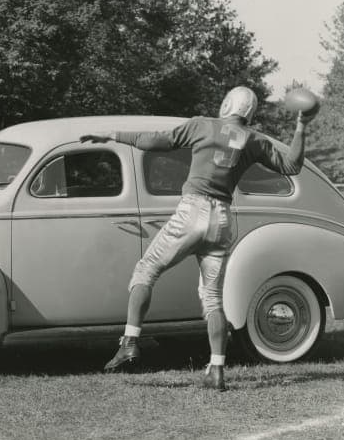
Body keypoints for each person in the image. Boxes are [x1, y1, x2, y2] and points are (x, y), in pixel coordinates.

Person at [80, 86, 310, 391]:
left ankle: (130, 341)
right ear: (250, 113)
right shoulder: (254, 139)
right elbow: (292, 166)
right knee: (213, 299)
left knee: (145, 271)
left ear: (227, 104)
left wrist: (112, 134)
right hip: (223, 219)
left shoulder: (202, 124)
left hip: (194, 209)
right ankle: (216, 370)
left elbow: (156, 142)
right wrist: (301, 126)